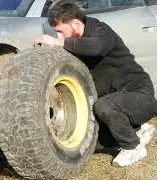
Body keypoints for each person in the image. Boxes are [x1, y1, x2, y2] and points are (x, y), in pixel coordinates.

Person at [35, 0, 157, 167]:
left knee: (104, 105)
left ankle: (133, 148)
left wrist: (58, 43)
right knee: (93, 142)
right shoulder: (76, 40)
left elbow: (96, 47)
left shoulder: (101, 31)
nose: (59, 37)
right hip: (117, 99)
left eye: (61, 32)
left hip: (139, 96)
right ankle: (139, 130)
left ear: (76, 24)